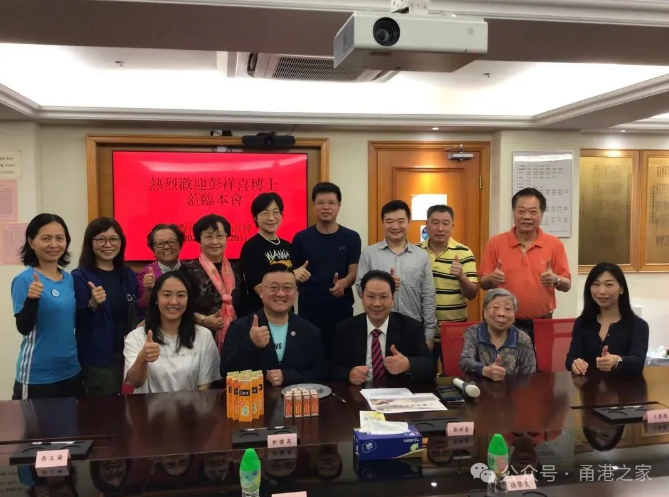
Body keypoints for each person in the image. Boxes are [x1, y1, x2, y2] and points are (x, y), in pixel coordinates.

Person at [478, 188, 572, 341]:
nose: (527, 217)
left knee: (542, 358)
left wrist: (556, 279)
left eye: (533, 212)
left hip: (542, 323)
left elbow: (567, 285)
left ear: (542, 214)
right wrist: (491, 278)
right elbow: (483, 283)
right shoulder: (495, 243)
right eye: (521, 211)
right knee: (502, 358)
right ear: (513, 213)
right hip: (503, 323)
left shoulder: (554, 244)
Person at [11, 214, 83, 400]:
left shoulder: (68, 279)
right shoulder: (25, 279)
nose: (54, 244)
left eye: (60, 238)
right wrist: (32, 300)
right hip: (38, 376)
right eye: (46, 238)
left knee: (73, 420)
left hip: (71, 371)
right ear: (31, 242)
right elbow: (23, 327)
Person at [221, 265, 327, 386]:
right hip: (255, 396)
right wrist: (251, 344)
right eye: (274, 288)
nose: (281, 293)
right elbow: (226, 373)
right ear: (261, 291)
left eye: (287, 288)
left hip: (295, 397)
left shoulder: (310, 331)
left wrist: (287, 376)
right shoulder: (239, 327)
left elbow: (322, 373)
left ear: (296, 291)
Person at [291, 182, 362, 356]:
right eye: (321, 202)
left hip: (341, 311)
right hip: (309, 313)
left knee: (341, 359)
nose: (326, 207)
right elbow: (293, 273)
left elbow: (354, 271)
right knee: (311, 359)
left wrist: (344, 283)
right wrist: (296, 276)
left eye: (331, 203)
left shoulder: (352, 238)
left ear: (339, 206)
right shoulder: (301, 238)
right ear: (313, 205)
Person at [356, 200, 437, 349]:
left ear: (408, 222)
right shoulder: (369, 254)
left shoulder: (421, 256)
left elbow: (428, 296)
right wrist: (383, 285)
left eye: (400, 221)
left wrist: (429, 334)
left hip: (413, 328)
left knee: (413, 364)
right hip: (378, 329)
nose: (395, 226)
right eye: (389, 221)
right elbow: (360, 290)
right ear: (382, 222)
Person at [73, 217, 139, 396]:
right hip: (99, 361)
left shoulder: (127, 274)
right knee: (104, 411)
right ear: (90, 243)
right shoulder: (80, 276)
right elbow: (77, 321)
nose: (108, 244)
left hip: (129, 355)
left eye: (114, 239)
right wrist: (92, 305)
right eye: (101, 239)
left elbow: (135, 310)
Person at [332, 270, 435, 384]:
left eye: (383, 297)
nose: (377, 303)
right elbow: (332, 368)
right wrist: (349, 374)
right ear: (362, 298)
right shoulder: (345, 328)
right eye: (371, 296)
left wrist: (408, 364)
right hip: (358, 392)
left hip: (397, 392)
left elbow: (430, 366)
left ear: (392, 299)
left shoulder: (411, 327)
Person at [124, 272, 221, 393]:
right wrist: (142, 359)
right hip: (148, 405)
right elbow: (135, 382)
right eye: (167, 295)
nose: (174, 302)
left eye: (181, 295)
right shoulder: (136, 337)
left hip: (192, 404)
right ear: (156, 299)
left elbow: (204, 386)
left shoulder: (204, 336)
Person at [417, 204, 478, 367]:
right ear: (426, 224)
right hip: (421, 331)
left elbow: (472, 293)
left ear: (452, 225)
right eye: (435, 222)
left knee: (455, 376)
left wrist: (462, 277)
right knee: (422, 376)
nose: (440, 228)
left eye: (445, 223)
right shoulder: (415, 251)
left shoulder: (464, 252)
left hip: (454, 330)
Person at [566, 262, 649, 375]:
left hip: (624, 385)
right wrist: (575, 363)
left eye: (609, 285)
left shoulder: (638, 325)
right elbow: (571, 358)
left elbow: (638, 362)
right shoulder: (582, 322)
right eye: (596, 284)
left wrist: (616, 361)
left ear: (621, 289)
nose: (601, 291)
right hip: (589, 385)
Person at [240, 192, 309, 314]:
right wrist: (293, 275)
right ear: (255, 217)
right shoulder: (250, 248)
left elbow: (293, 287)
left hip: (287, 314)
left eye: (276, 212)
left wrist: (301, 277)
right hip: (262, 315)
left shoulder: (287, 245)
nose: (271, 218)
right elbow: (260, 289)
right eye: (265, 213)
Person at [184, 214, 242, 351]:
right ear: (199, 239)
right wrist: (204, 320)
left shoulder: (237, 269)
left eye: (220, 236)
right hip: (199, 340)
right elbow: (181, 307)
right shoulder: (187, 270)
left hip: (235, 338)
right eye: (208, 236)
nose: (215, 241)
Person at [459, 288, 536, 381]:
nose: (501, 314)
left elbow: (530, 375)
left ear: (514, 315)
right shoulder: (473, 332)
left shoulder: (523, 338)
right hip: (479, 388)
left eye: (508, 309)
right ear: (485, 312)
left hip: (513, 389)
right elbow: (465, 361)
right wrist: (484, 370)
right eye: (495, 307)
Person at [136, 224, 186, 310]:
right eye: (160, 243)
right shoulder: (144, 274)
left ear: (180, 245)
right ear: (153, 249)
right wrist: (149, 290)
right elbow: (143, 307)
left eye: (171, 242)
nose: (166, 247)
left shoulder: (192, 270)